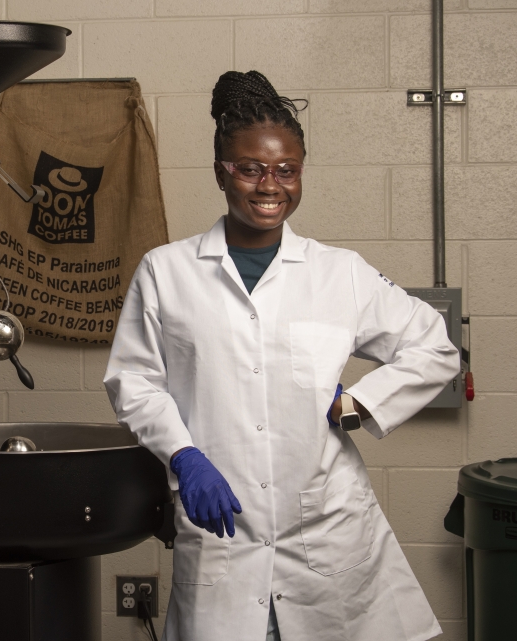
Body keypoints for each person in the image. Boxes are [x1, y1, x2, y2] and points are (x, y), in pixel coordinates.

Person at [104, 70, 459, 641]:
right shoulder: (166, 272)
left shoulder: (338, 272)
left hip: (327, 533)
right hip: (224, 533)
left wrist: (362, 404)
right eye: (250, 168)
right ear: (222, 172)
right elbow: (134, 380)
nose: (270, 185)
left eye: (286, 170)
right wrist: (183, 456)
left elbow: (436, 346)